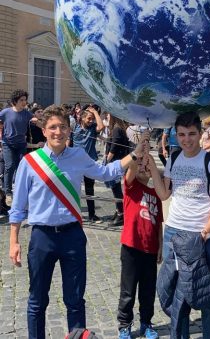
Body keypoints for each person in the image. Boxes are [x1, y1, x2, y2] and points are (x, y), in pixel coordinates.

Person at [8, 105, 149, 339]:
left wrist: (134, 155)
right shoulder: (30, 162)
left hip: (72, 236)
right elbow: (18, 206)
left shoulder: (78, 156)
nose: (58, 132)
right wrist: (14, 241)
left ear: (69, 130)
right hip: (42, 238)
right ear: (44, 131)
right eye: (52, 127)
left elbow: (105, 173)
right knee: (37, 299)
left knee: (75, 299)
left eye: (63, 127)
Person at [148, 111, 210, 339]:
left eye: (191, 134)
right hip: (174, 232)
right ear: (175, 135)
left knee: (208, 295)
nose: (186, 139)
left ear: (201, 134)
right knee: (174, 294)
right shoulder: (173, 159)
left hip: (203, 236)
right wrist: (154, 166)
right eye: (181, 134)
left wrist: (205, 232)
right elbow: (164, 194)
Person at [117, 155, 163, 339]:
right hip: (131, 246)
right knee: (128, 290)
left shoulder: (156, 195)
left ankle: (147, 322)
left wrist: (160, 246)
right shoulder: (131, 187)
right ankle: (125, 324)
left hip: (150, 249)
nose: (143, 168)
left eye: (147, 166)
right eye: (140, 166)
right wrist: (140, 154)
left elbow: (158, 223)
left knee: (148, 289)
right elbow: (131, 172)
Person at [0, 89, 39, 209]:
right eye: (22, 100)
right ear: (15, 101)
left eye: (25, 100)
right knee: (10, 166)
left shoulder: (27, 113)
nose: (24, 102)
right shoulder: (6, 112)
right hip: (8, 144)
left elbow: (35, 121)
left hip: (21, 145)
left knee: (22, 168)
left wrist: (46, 125)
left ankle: (21, 191)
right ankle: (8, 191)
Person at [72, 106, 104, 223]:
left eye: (92, 119)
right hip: (75, 164)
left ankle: (92, 215)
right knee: (74, 189)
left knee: (90, 190)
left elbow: (101, 126)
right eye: (89, 118)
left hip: (90, 163)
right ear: (82, 118)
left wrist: (95, 112)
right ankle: (74, 213)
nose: (91, 121)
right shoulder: (74, 128)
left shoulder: (93, 129)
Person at [105, 116, 130, 226]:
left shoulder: (116, 129)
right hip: (117, 161)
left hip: (116, 161)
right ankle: (118, 211)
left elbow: (114, 147)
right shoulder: (118, 128)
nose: (107, 116)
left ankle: (121, 214)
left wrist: (107, 160)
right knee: (115, 188)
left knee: (116, 189)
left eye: (108, 115)